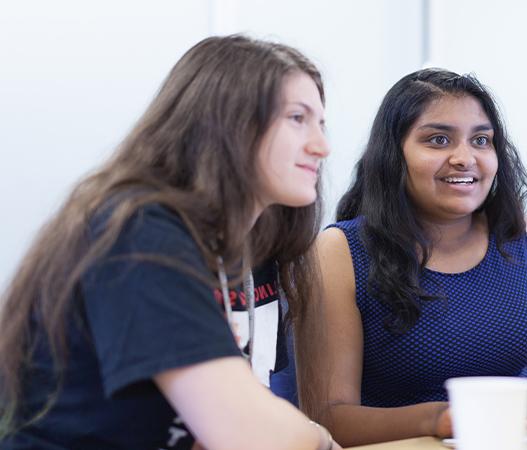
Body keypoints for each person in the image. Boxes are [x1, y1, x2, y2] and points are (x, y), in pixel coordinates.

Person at [0, 35, 339, 450]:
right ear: (227, 122)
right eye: (297, 118)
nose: (322, 146)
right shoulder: (140, 233)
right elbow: (247, 433)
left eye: (321, 123)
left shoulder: (223, 245)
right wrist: (319, 439)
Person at [309, 68, 527, 447]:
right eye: (438, 140)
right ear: (394, 154)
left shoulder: (519, 235)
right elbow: (330, 415)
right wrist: (442, 418)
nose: (465, 158)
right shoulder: (340, 251)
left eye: (481, 140)